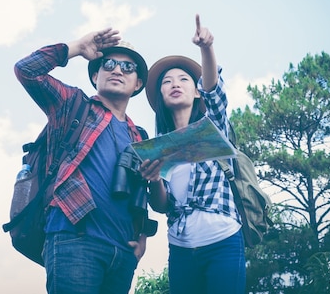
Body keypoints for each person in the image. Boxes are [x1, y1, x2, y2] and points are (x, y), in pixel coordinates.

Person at [15, 27, 156, 294]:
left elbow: (144, 193)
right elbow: (26, 70)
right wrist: (77, 47)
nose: (117, 70)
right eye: (108, 64)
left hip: (122, 253)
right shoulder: (73, 106)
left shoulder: (140, 137)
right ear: (95, 75)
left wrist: (142, 237)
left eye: (128, 67)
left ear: (138, 83)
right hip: (74, 240)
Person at [139, 15, 245, 294]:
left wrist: (206, 47)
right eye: (167, 82)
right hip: (181, 248)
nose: (175, 84)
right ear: (161, 96)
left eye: (184, 79)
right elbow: (163, 207)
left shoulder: (214, 125)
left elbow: (213, 91)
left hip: (223, 240)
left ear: (196, 91)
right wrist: (154, 179)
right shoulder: (158, 146)